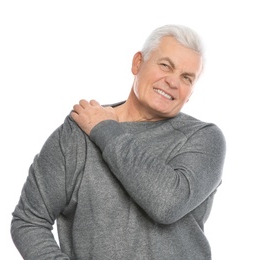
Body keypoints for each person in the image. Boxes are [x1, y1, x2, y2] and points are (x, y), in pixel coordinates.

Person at [11, 24, 226, 260]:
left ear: (191, 92)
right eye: (165, 65)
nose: (173, 82)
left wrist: (104, 130)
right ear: (137, 63)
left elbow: (167, 203)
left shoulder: (203, 139)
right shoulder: (76, 134)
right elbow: (29, 220)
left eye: (187, 78)